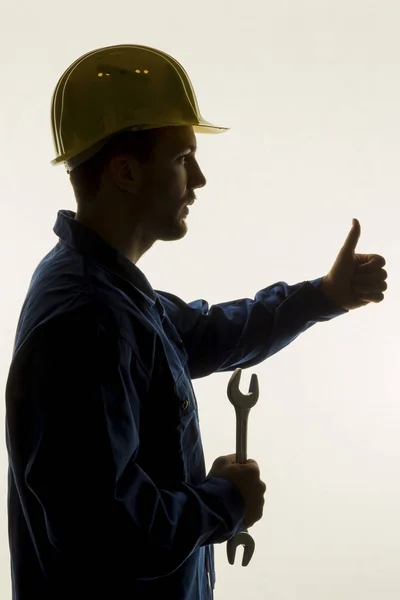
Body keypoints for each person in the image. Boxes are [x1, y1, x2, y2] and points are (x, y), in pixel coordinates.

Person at [5, 44, 387, 600]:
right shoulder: (86, 322)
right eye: (183, 158)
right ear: (126, 172)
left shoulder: (107, 288)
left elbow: (204, 333)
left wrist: (322, 296)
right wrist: (223, 503)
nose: (200, 179)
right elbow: (104, 532)